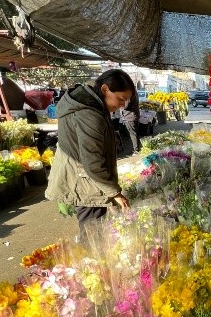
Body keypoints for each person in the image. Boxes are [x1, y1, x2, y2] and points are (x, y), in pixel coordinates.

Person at [45, 69, 134, 236]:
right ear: (105, 89)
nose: (123, 105)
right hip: (84, 181)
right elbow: (93, 161)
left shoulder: (92, 106)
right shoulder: (89, 114)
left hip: (83, 178)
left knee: (94, 231)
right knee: (93, 236)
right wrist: (114, 193)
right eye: (121, 99)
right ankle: (92, 261)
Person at [120, 88, 141, 153]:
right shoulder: (134, 92)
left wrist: (120, 105)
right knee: (134, 133)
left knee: (133, 134)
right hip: (132, 116)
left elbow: (126, 105)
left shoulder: (130, 94)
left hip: (130, 117)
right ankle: (136, 148)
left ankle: (136, 149)